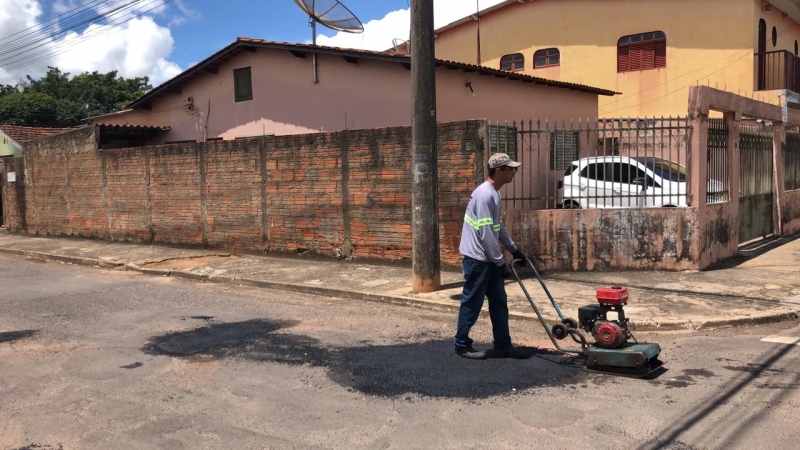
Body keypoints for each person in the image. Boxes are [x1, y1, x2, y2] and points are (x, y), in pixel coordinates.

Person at [454, 152, 527, 360]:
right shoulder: (485, 194)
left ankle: (503, 345)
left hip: (488, 258)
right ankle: (461, 344)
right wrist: (500, 261)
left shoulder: (495, 193)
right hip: (478, 259)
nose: (514, 172)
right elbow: (486, 235)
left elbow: (497, 226)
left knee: (498, 301)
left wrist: (513, 249)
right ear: (498, 171)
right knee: (472, 302)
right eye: (511, 169)